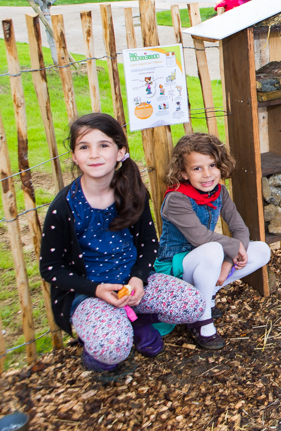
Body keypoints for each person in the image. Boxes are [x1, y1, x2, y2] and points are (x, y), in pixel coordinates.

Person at [40, 114, 205, 372]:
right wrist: (95, 289)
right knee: (113, 348)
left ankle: (135, 320)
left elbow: (149, 243)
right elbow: (50, 268)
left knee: (193, 305)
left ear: (121, 152)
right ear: (74, 156)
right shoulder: (64, 208)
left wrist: (138, 278)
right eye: (84, 147)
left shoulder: (132, 192)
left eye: (103, 145)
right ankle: (102, 349)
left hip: (132, 283)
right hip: (89, 292)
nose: (94, 154)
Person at [157, 133, 271, 349]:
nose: (207, 174)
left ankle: (206, 295)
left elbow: (239, 228)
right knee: (212, 250)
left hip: (208, 261)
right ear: (183, 172)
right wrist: (231, 249)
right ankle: (201, 320)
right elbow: (200, 237)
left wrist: (229, 260)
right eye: (197, 168)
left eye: (212, 165)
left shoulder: (220, 192)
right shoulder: (177, 199)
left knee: (262, 250)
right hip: (176, 268)